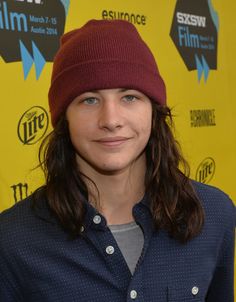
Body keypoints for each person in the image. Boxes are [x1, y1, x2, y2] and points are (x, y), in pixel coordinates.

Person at [0, 19, 235, 302]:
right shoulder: (13, 240)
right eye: (89, 100)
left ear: (154, 111)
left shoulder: (215, 214)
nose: (111, 120)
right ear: (65, 118)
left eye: (129, 97)